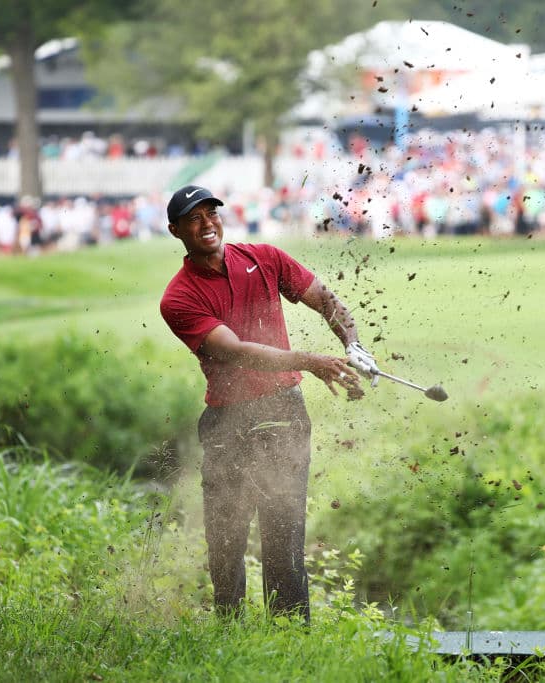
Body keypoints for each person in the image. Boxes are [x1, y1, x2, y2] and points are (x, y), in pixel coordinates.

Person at [158, 185, 380, 622]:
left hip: (284, 414)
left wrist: (353, 345)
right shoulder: (178, 298)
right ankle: (230, 634)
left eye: (211, 214)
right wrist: (312, 361)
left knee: (285, 535)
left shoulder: (265, 257)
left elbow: (326, 300)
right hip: (227, 423)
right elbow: (236, 351)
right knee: (226, 539)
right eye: (194, 219)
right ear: (175, 231)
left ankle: (291, 636)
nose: (207, 224)